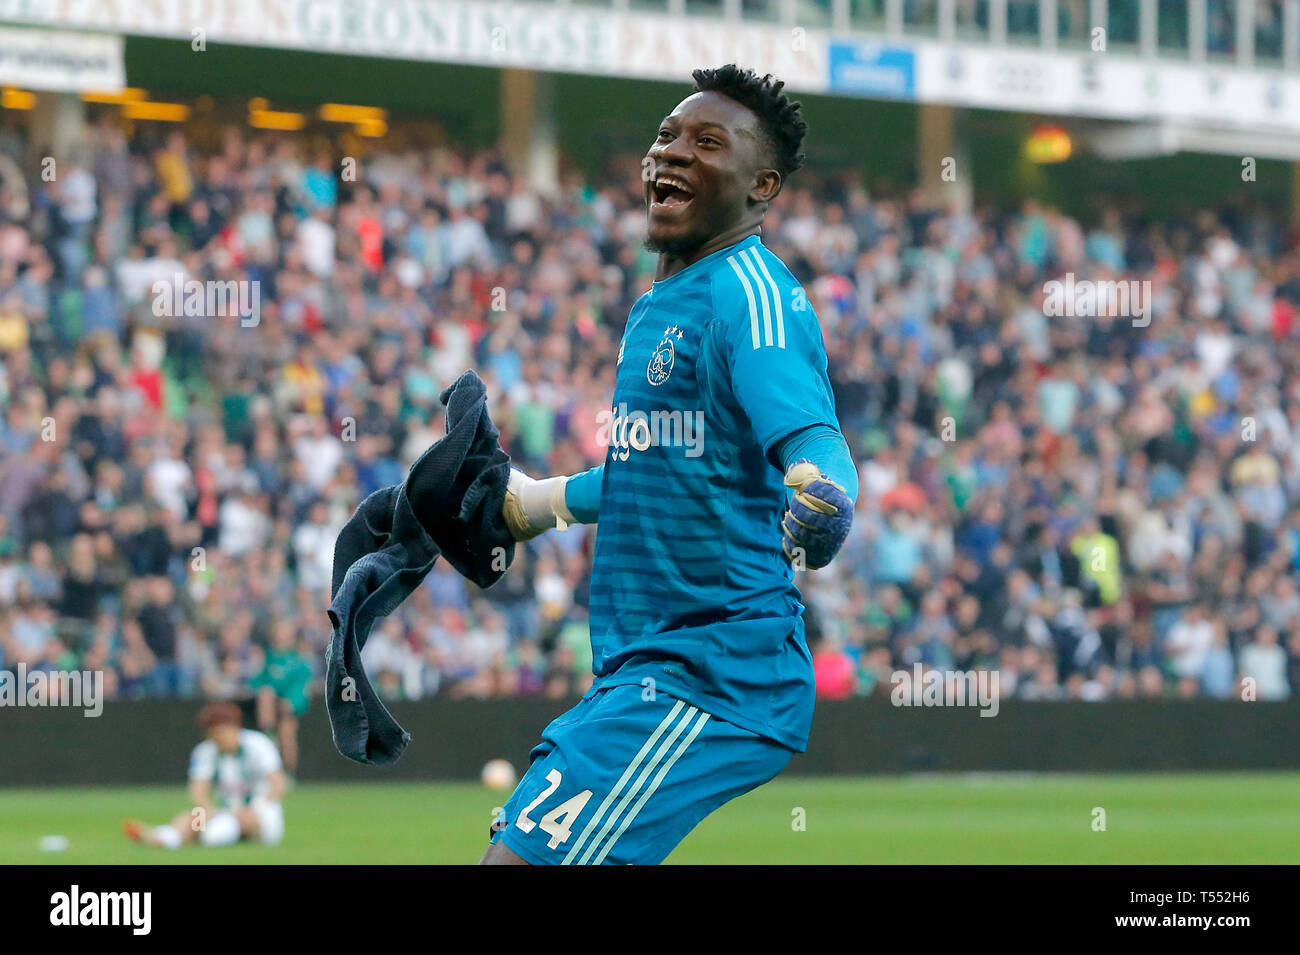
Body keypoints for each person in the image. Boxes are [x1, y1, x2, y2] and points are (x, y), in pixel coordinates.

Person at [481, 65, 857, 865]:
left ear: (762, 185)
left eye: (706, 142)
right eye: (666, 136)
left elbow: (811, 438)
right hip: (640, 664)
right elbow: (663, 473)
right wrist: (536, 504)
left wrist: (827, 490)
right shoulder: (663, 302)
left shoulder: (751, 295)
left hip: (714, 666)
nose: (671, 153)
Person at [124, 701, 286, 849]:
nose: (218, 739)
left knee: (224, 829)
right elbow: (198, 791)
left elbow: (278, 785)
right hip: (225, 813)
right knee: (194, 817)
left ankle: (175, 835)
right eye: (213, 735)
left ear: (234, 727)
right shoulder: (205, 751)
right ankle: (165, 838)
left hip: (260, 815)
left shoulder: (258, 744)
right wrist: (207, 809)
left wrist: (254, 807)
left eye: (221, 733)